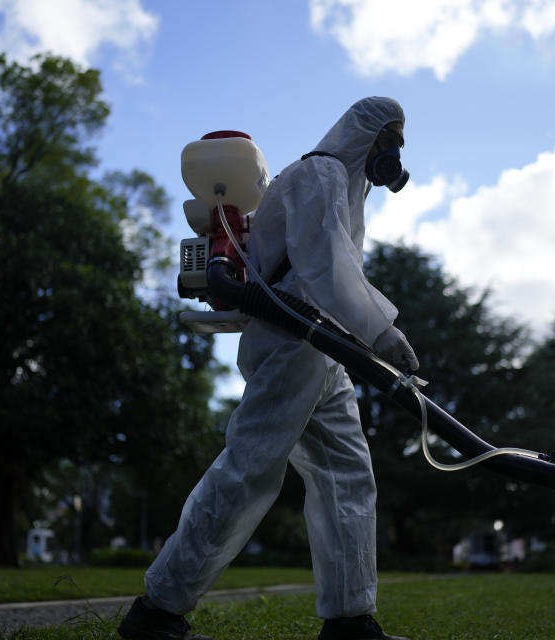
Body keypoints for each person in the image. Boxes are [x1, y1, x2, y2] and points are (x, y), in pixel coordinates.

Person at [118, 97, 417, 640]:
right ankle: (156, 611)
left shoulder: (349, 185)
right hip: (289, 341)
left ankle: (350, 622)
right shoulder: (319, 173)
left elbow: (334, 269)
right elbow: (325, 265)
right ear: (365, 134)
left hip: (323, 348)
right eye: (389, 140)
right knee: (250, 470)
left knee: (347, 476)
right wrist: (382, 333)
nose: (394, 153)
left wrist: (362, 337)